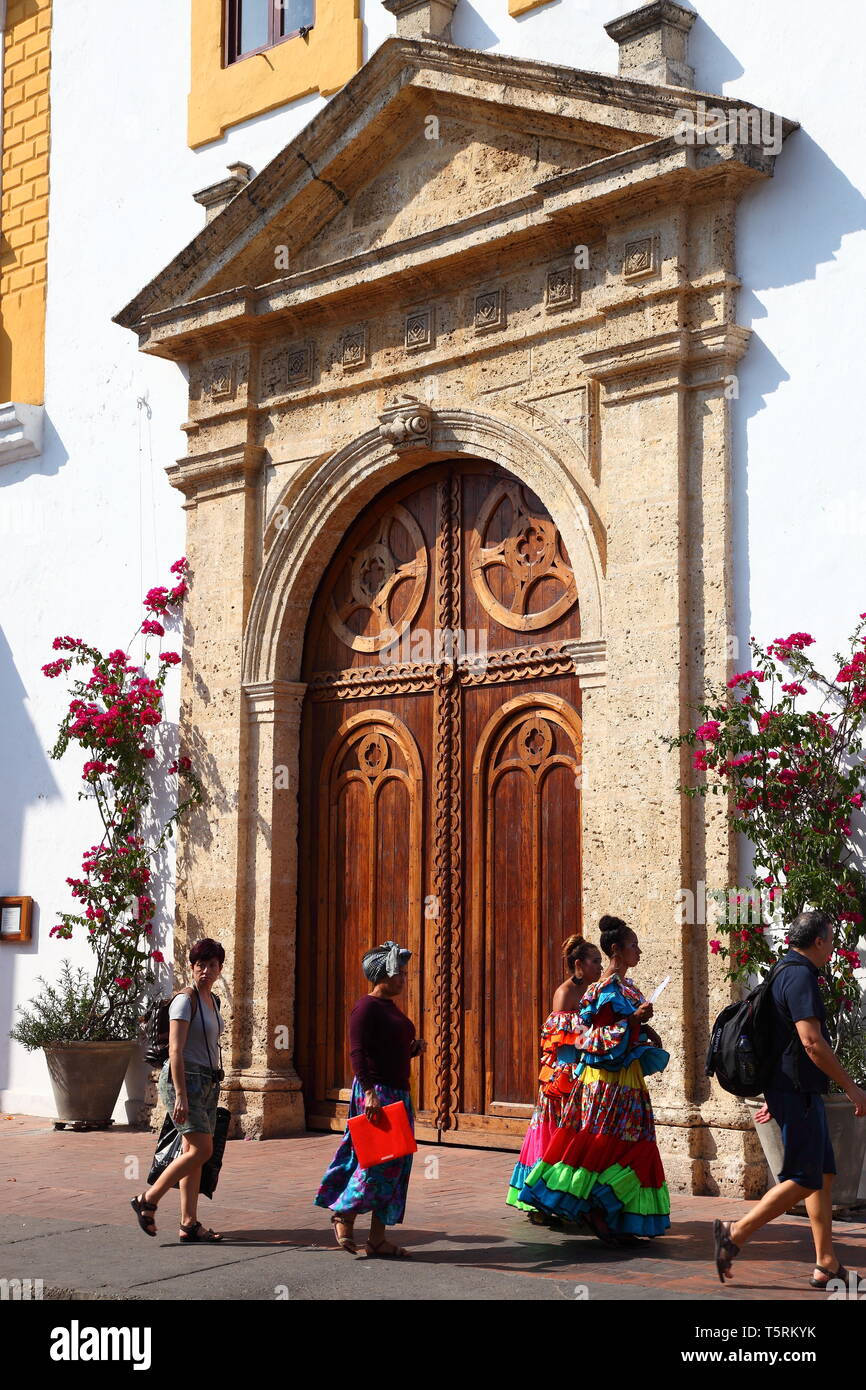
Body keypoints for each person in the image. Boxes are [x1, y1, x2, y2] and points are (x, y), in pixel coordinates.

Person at [713, 910, 866, 1288]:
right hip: (797, 1093)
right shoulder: (799, 976)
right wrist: (852, 1087)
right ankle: (735, 1233)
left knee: (822, 1176)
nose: (832, 947)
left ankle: (826, 1261)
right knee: (803, 1177)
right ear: (818, 941)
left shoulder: (784, 969)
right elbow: (811, 1043)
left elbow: (776, 1041)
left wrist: (774, 1091)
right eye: (830, 940)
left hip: (794, 1092)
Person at [520, 916, 671, 1245]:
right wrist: (632, 1021)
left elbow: (627, 1028)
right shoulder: (600, 989)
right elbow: (586, 1038)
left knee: (635, 1146)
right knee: (606, 1146)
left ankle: (614, 1213)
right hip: (604, 1083)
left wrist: (644, 1029)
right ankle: (597, 1208)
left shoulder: (628, 988)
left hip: (627, 1080)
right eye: (633, 946)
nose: (639, 951)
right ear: (616, 949)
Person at [315, 940, 427, 1258]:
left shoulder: (391, 1008)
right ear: (382, 975)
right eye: (400, 974)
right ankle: (344, 1212)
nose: (404, 979)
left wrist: (411, 1049)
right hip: (377, 1095)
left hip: (398, 1095)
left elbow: (387, 1050)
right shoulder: (365, 1008)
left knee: (396, 1166)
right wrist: (368, 1093)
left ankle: (377, 1239)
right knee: (376, 1164)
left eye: (405, 973)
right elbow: (358, 1052)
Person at [131, 938, 227, 1243]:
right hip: (183, 1081)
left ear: (220, 968)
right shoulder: (186, 1000)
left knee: (192, 1153)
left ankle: (188, 1223)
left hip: (208, 1082)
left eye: (212, 965)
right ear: (192, 967)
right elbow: (175, 1049)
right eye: (201, 965)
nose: (206, 971)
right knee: (202, 1150)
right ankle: (148, 1199)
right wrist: (182, 1096)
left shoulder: (213, 1001)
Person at [506, 934, 603, 1218]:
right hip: (563, 1075)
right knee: (553, 1134)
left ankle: (564, 1197)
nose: (600, 966)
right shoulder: (565, 994)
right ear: (578, 964)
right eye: (595, 961)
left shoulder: (592, 989)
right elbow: (560, 1042)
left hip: (583, 1073)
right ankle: (537, 1198)